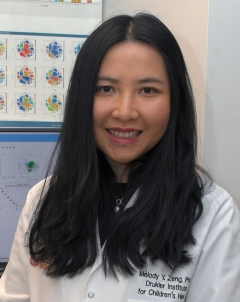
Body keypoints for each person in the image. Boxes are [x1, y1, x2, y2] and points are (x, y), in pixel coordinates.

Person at [0, 13, 240, 302]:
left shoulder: (213, 215)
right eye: (106, 89)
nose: (125, 111)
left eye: (147, 90)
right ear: (81, 98)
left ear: (175, 102)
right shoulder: (43, 200)